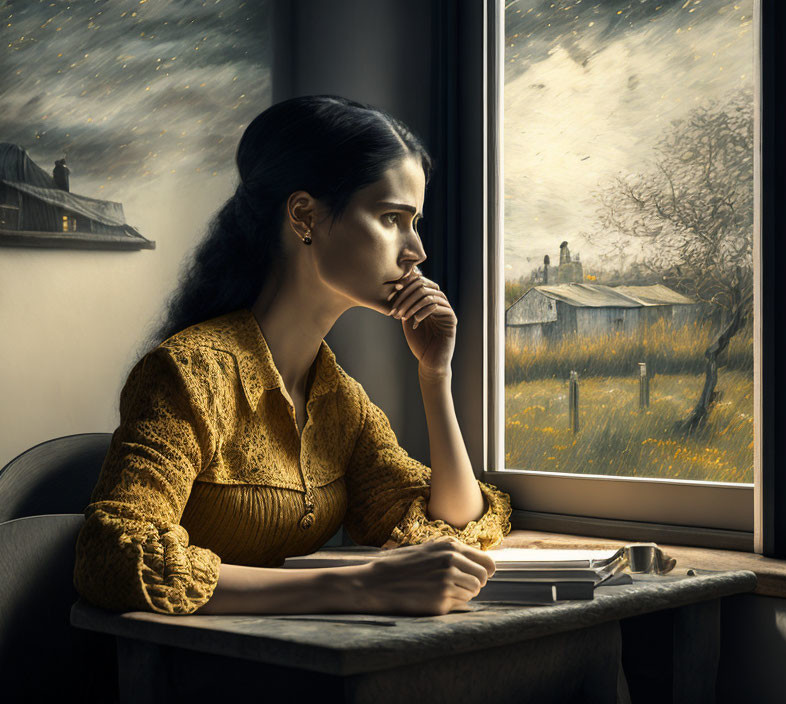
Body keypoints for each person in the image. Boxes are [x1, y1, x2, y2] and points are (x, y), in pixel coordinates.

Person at [72, 95, 512, 617]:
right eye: (392, 217)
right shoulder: (189, 374)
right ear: (304, 215)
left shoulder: (339, 401)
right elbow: (113, 554)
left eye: (413, 222)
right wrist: (354, 586)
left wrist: (435, 376)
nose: (416, 250)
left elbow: (456, 527)